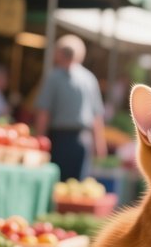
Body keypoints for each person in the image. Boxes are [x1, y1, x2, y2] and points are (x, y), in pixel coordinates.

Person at [34, 34, 106, 181]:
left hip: (59, 140)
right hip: (83, 141)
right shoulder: (89, 79)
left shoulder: (53, 77)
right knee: (76, 188)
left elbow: (43, 113)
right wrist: (100, 146)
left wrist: (39, 141)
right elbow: (96, 117)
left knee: (56, 185)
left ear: (59, 53)